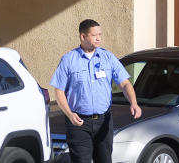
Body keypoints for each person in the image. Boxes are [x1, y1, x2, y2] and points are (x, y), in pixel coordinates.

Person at [50, 19, 142, 163]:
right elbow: (59, 91)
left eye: (100, 34)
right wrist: (69, 114)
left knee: (104, 160)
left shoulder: (108, 57)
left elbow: (125, 83)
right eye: (94, 35)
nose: (99, 38)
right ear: (83, 36)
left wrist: (134, 103)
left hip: (103, 121)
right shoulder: (69, 60)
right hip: (78, 123)